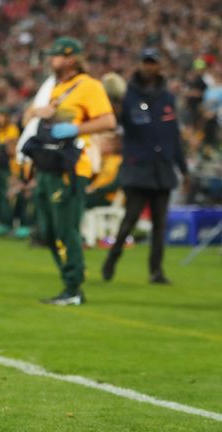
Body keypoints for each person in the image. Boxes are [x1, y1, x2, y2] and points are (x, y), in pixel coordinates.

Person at [21, 36, 116, 305]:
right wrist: (41, 113)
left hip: (71, 167)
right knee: (48, 232)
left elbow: (108, 120)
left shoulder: (90, 86)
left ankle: (73, 288)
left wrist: (76, 128)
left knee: (66, 229)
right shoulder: (56, 87)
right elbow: (30, 118)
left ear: (71, 58)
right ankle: (69, 281)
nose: (51, 60)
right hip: (49, 166)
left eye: (56, 56)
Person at [102, 47, 189, 284]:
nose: (149, 67)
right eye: (146, 62)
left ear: (159, 66)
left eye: (153, 63)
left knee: (160, 225)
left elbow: (174, 136)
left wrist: (183, 169)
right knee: (130, 219)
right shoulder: (127, 95)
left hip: (162, 169)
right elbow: (114, 122)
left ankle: (156, 271)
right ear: (140, 64)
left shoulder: (167, 97)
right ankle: (111, 260)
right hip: (138, 167)